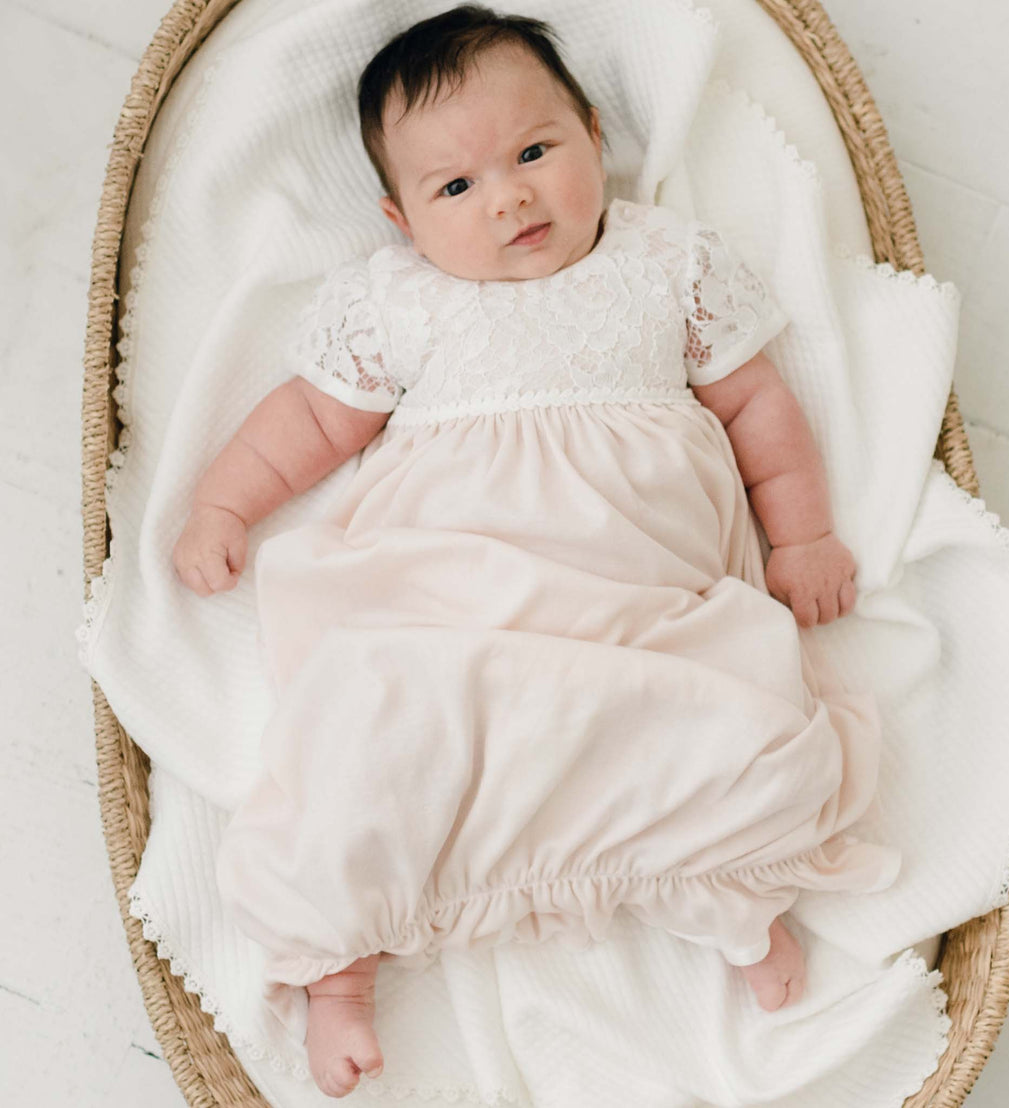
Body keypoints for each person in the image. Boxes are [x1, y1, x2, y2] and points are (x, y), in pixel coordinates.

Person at [172, 5, 898, 1098]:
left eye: (532, 152)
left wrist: (801, 535)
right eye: (454, 188)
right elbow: (308, 423)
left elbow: (757, 406)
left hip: (638, 595)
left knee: (732, 710)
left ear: (594, 136)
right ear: (400, 218)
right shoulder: (399, 303)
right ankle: (339, 970)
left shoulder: (666, 261)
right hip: (447, 602)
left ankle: (739, 895)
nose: (506, 195)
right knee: (367, 734)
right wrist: (223, 507)